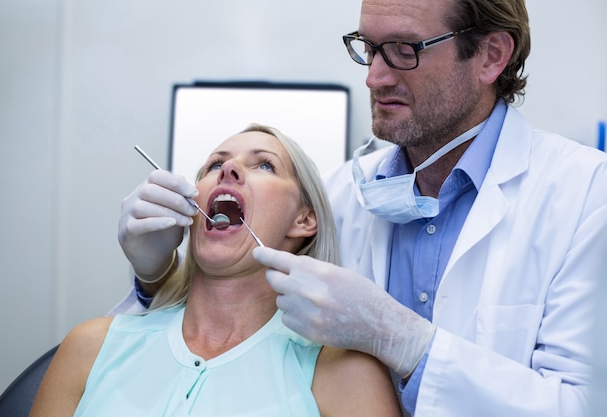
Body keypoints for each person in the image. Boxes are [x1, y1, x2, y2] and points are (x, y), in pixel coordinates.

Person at [113, 0, 607, 415]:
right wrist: (153, 276)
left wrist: (408, 344)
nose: (374, 77)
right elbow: (199, 342)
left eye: (402, 50)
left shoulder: (587, 195)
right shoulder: (332, 199)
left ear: (490, 56)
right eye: (368, 48)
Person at [30, 125, 402, 417]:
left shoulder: (344, 370)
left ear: (304, 220)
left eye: (264, 165)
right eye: (213, 165)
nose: (229, 168)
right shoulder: (90, 346)